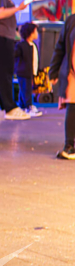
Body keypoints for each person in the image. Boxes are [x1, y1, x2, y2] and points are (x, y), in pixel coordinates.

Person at [49, 13, 75, 159]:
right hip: (72, 73)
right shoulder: (71, 21)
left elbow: (59, 47)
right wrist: (53, 71)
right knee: (73, 107)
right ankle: (69, 146)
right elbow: (60, 47)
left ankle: (70, 146)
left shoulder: (71, 20)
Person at [14, 22, 42, 116]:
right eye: (36, 31)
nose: (37, 33)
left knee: (25, 89)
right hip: (23, 71)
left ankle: (23, 106)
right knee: (26, 90)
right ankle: (28, 107)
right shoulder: (21, 45)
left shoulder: (32, 45)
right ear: (30, 33)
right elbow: (14, 55)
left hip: (30, 72)